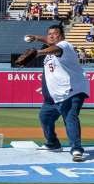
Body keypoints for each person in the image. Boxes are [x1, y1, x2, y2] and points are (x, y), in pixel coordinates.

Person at [14, 24, 90, 161]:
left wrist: (37, 52)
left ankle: (77, 149)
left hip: (71, 92)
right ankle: (53, 144)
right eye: (49, 34)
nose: (51, 36)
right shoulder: (50, 47)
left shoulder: (65, 45)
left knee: (70, 117)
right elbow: (49, 41)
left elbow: (56, 48)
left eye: (55, 34)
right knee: (45, 117)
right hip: (54, 96)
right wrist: (36, 37)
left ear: (61, 36)